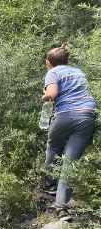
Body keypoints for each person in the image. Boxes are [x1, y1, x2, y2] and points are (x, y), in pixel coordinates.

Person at [42, 44, 97, 209]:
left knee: (54, 147)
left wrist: (43, 98)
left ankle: (50, 183)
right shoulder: (78, 71)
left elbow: (52, 94)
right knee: (70, 161)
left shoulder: (52, 72)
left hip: (66, 114)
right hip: (87, 115)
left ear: (48, 62)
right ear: (67, 60)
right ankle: (61, 205)